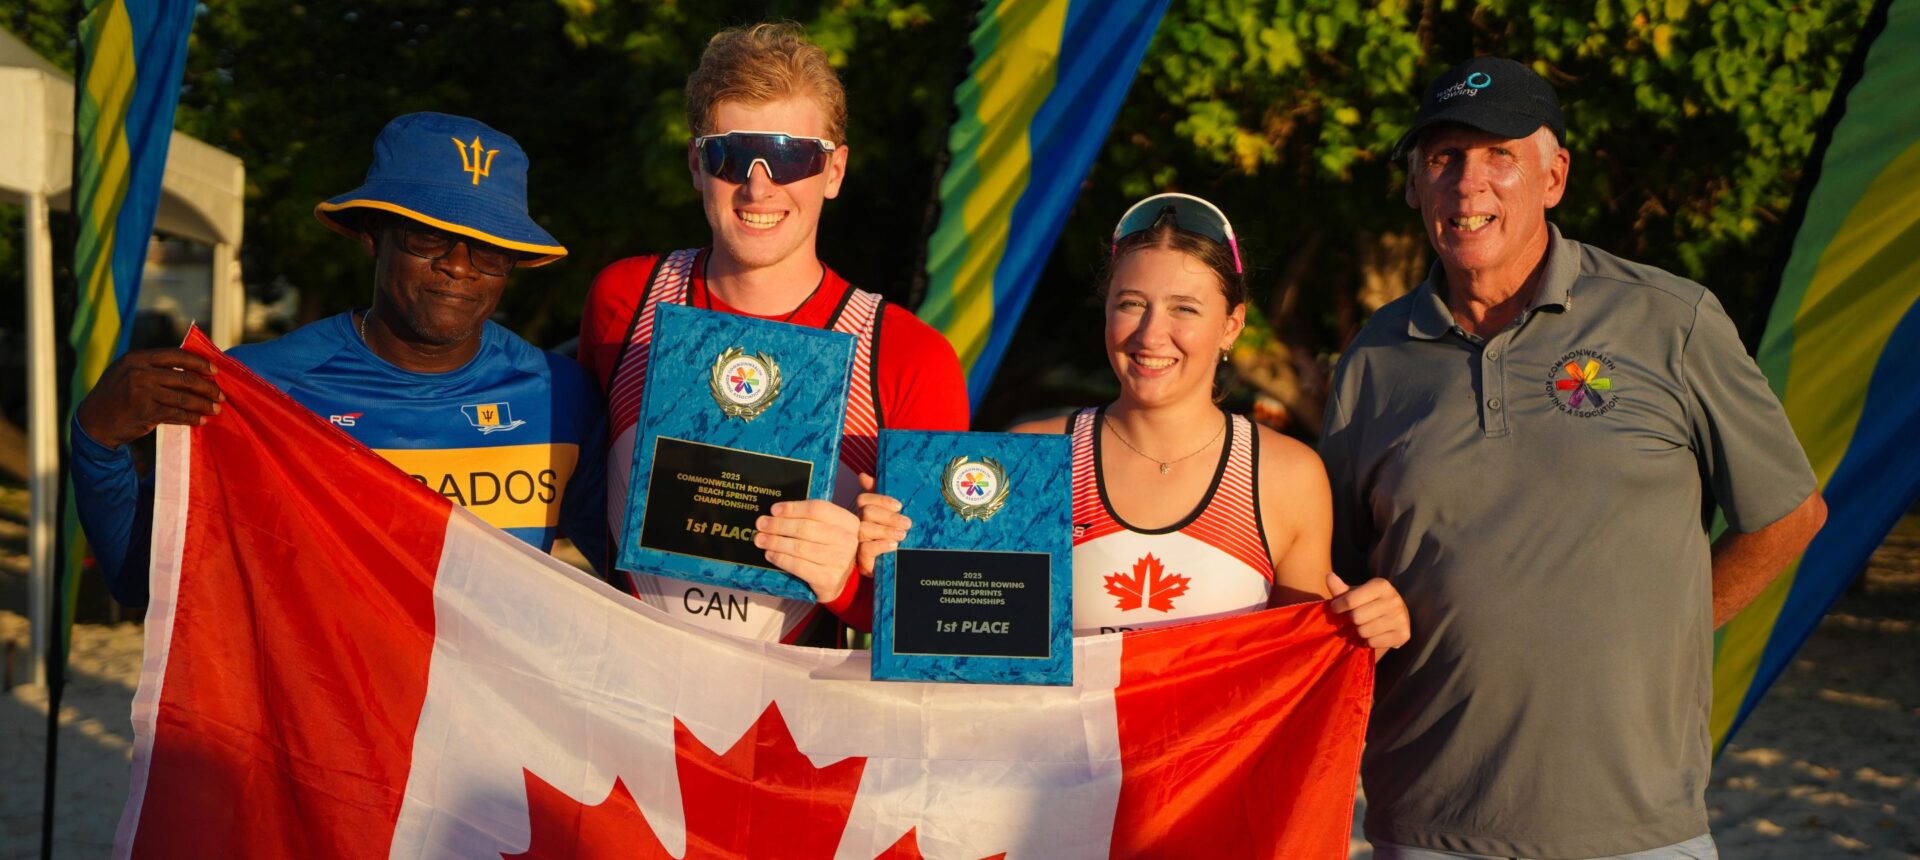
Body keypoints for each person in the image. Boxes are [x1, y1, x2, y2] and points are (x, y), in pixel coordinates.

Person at [1319, 57, 1828, 859]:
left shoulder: (1671, 320)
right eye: (1442, 158)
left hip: (1636, 826)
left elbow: (1789, 515)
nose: (1467, 185)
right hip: (1427, 822)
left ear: (1553, 176)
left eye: (1499, 157)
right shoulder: (1372, 360)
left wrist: (1670, 635)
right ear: (1415, 185)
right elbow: (1335, 578)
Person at [72, 112, 610, 605]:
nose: (458, 267)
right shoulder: (258, 391)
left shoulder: (560, 396)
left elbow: (636, 583)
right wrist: (97, 441)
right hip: (318, 710)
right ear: (373, 236)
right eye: (428, 237)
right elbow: (144, 582)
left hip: (493, 711)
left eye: (491, 249)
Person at [858, 192, 1411, 651]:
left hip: (1205, 784)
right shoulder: (1030, 458)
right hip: (1050, 781)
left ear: (1232, 326)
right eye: (1130, 303)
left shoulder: (1287, 475)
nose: (1150, 335)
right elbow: (954, 646)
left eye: (1184, 309)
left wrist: (1369, 633)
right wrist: (891, 559)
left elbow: (1304, 670)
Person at [578, 22, 969, 645]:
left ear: (834, 170)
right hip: (626, 712)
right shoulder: (624, 302)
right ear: (695, 164)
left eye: (792, 156)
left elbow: (944, 623)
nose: (759, 187)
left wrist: (846, 577)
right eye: (730, 154)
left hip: (792, 733)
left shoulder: (908, 355)